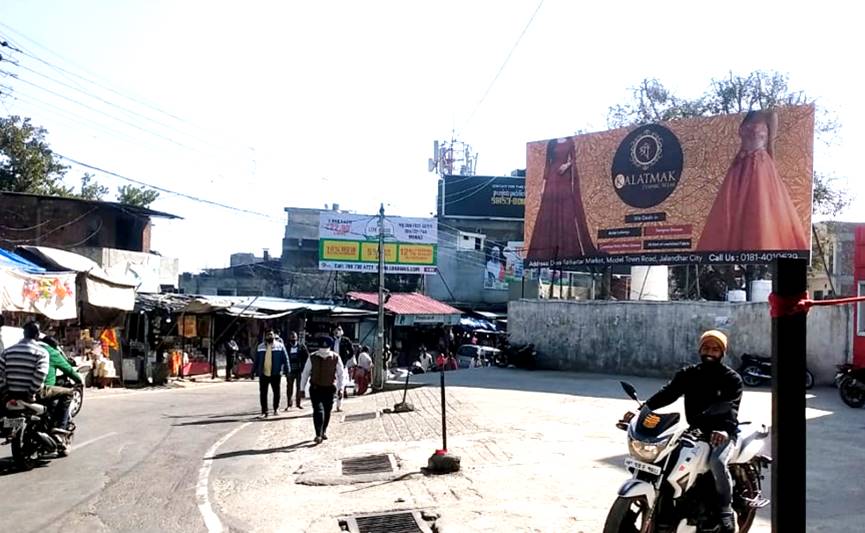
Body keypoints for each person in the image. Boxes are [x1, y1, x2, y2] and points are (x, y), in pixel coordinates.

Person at [640, 330, 743, 533]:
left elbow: (731, 407)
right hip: (695, 430)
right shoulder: (689, 374)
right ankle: (669, 511)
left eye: (715, 349)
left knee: (717, 462)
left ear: (722, 352)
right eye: (706, 348)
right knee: (666, 459)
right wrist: (642, 410)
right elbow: (668, 393)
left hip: (722, 431)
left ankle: (725, 510)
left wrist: (723, 430)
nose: (710, 352)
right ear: (699, 349)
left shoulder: (731, 378)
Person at [697, 110, 809, 252]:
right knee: (732, 210)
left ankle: (762, 246)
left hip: (759, 166)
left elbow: (771, 146)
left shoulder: (770, 115)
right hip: (739, 165)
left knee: (758, 207)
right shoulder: (747, 114)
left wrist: (771, 174)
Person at [527, 137, 597, 262]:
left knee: (566, 211)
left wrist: (567, 165)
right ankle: (547, 252)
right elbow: (547, 165)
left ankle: (567, 251)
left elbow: (574, 159)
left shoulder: (570, 141)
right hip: (552, 179)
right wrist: (543, 186)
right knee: (549, 213)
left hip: (564, 177)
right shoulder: (552, 142)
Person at [300, 337, 345, 444]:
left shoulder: (335, 357)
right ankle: (318, 434)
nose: (324, 352)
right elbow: (305, 373)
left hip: (329, 389)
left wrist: (341, 388)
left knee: (327, 410)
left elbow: (341, 374)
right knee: (319, 410)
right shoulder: (313, 357)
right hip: (316, 388)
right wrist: (301, 389)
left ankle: (323, 431)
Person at [39, 336, 82, 431]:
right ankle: (61, 428)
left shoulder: (32, 349)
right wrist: (79, 380)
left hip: (18, 388)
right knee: (68, 393)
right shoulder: (51, 352)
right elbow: (69, 370)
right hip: (42, 388)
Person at [0, 322, 49, 403]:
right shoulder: (42, 352)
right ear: (37, 335)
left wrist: (5, 391)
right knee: (68, 393)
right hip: (30, 394)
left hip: (10, 393)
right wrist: (30, 393)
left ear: (24, 334)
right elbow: (40, 374)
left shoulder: (7, 351)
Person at [253, 329, 289, 418]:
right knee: (263, 393)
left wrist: (287, 370)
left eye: (271, 335)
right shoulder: (260, 346)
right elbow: (256, 360)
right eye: (268, 335)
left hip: (275, 373)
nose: (270, 336)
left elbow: (286, 358)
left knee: (276, 392)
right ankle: (264, 411)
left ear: (274, 336)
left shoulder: (280, 346)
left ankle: (276, 408)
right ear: (265, 336)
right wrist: (253, 371)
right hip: (264, 373)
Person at [284, 331, 309, 410]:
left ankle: (298, 403)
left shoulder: (301, 346)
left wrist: (304, 368)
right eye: (291, 337)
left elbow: (307, 357)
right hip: (290, 370)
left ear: (297, 338)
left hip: (299, 370)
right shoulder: (286, 347)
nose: (293, 338)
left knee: (299, 387)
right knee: (289, 387)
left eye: (294, 337)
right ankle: (289, 404)